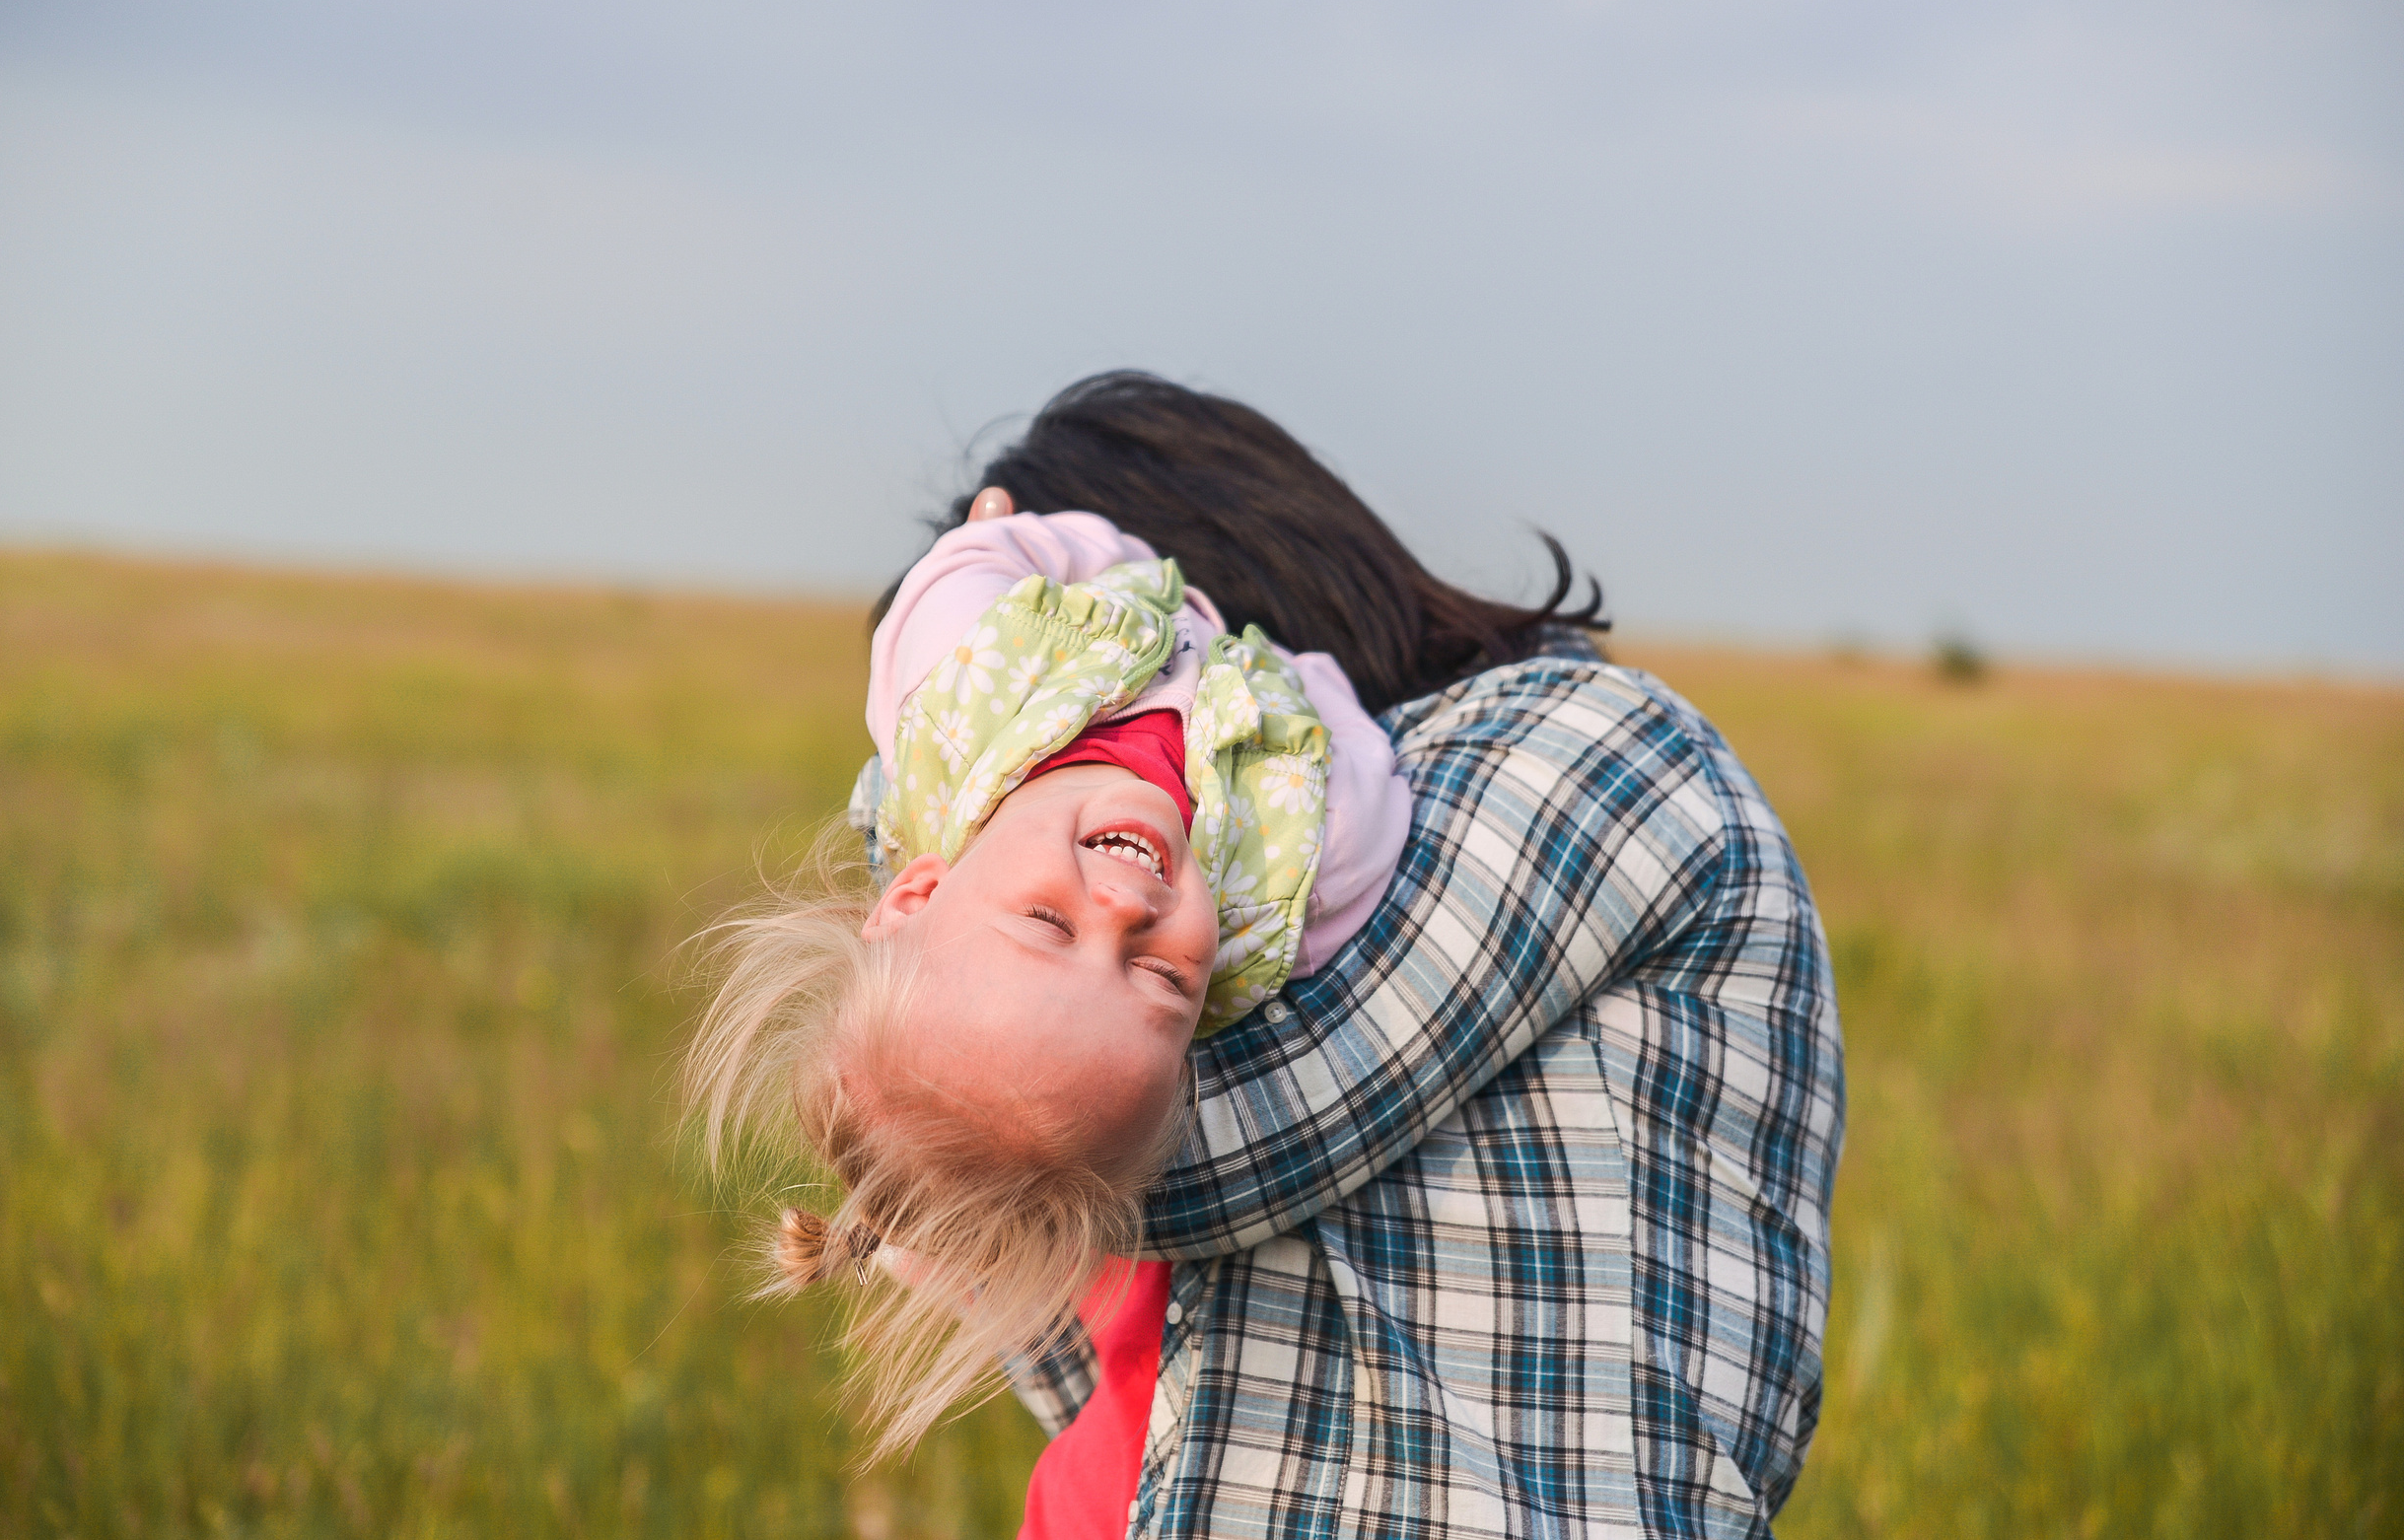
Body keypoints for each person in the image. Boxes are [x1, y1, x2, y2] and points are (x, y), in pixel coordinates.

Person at [720, 372, 1846, 1538]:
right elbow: (1065, 1308)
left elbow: (1186, 1153)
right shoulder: (1131, 964)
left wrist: (952, 737)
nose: (1118, 915)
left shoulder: (1578, 746)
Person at [686, 493, 1417, 1472]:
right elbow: (1363, 748)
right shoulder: (1291, 884)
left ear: (916, 890)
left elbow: (973, 563)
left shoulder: (955, 697)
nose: (1123, 905)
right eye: (1161, 976)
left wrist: (1095, 550)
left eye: (1047, 923)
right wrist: (1300, 674)